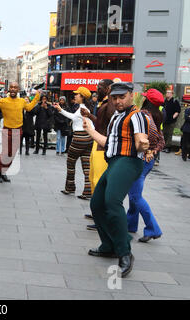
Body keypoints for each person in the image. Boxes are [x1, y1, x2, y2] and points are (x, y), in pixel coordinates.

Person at [83, 82, 150, 278]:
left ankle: (124, 253)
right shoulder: (116, 116)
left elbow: (140, 140)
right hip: (114, 161)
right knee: (97, 203)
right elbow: (108, 143)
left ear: (131, 96)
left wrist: (143, 144)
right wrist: (90, 129)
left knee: (112, 202)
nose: (118, 101)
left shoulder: (137, 115)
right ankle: (109, 245)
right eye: (115, 97)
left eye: (122, 97)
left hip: (128, 161)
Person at [127, 89, 165, 243]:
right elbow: (161, 141)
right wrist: (153, 151)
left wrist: (147, 149)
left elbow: (154, 136)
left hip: (141, 161)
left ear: (146, 101)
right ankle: (130, 225)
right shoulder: (156, 116)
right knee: (133, 194)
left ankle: (153, 229)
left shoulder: (144, 116)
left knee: (135, 196)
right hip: (147, 161)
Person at [0, 82, 40, 183]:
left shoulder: (22, 101)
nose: (13, 89)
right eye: (11, 87)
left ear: (18, 89)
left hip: (18, 130)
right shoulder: (3, 101)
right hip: (7, 130)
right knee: (5, 154)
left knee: (12, 155)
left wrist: (37, 97)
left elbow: (29, 108)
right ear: (9, 89)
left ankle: (3, 172)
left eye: (15, 87)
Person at [80, 79, 115, 230]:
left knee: (99, 181)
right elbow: (101, 124)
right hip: (98, 143)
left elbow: (107, 126)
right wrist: (88, 115)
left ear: (107, 88)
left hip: (103, 146)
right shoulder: (104, 104)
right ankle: (97, 213)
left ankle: (102, 217)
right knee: (93, 178)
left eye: (99, 87)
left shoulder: (110, 105)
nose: (96, 90)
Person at [54, 87, 94, 200]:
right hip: (88, 138)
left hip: (79, 138)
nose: (75, 96)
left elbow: (73, 117)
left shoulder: (82, 109)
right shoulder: (85, 108)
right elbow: (76, 118)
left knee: (70, 162)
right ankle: (88, 190)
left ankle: (70, 187)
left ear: (82, 97)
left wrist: (60, 110)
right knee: (86, 165)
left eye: (77, 94)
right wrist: (60, 109)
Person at [163, 88, 181, 153]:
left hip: (171, 121)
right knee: (164, 133)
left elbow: (178, 111)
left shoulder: (175, 101)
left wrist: (173, 117)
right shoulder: (164, 101)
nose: (167, 93)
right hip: (164, 120)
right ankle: (164, 146)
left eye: (169, 92)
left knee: (169, 134)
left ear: (172, 94)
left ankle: (168, 148)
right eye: (166, 92)